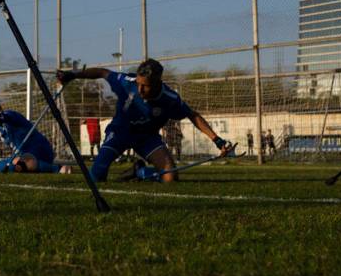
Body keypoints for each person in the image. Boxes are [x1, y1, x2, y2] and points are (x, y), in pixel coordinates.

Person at [55, 59, 231, 183]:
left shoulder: (170, 98)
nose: (139, 89)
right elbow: (103, 72)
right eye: (138, 83)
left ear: (157, 83)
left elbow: (193, 115)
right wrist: (73, 74)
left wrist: (217, 140)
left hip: (147, 138)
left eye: (145, 85)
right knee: (96, 176)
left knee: (170, 178)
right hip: (120, 132)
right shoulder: (126, 82)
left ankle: (140, 171)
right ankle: (128, 169)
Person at [0, 101, 70, 174]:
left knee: (22, 161)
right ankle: (23, 166)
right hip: (23, 156)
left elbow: (5, 117)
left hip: (40, 150)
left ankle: (57, 168)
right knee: (0, 166)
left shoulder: (11, 115)